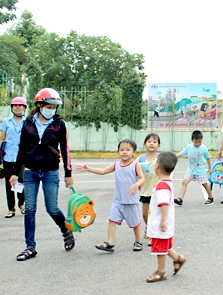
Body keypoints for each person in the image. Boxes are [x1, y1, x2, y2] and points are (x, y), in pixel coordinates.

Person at [10, 88, 74, 261]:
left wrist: (68, 173)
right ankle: (30, 247)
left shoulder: (59, 124)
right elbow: (22, 149)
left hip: (50, 172)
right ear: (39, 105)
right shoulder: (28, 123)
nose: (52, 110)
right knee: (29, 210)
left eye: (55, 107)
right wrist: (15, 172)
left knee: (52, 208)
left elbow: (65, 149)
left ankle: (65, 230)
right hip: (31, 171)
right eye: (49, 106)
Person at [76, 139, 145, 252]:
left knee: (135, 223)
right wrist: (88, 168)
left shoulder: (135, 165)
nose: (124, 152)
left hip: (131, 201)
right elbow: (103, 171)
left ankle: (138, 241)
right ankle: (110, 242)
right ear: (118, 152)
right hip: (118, 200)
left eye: (128, 150)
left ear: (134, 153)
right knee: (112, 220)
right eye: (121, 150)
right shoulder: (116, 165)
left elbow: (142, 178)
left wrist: (136, 185)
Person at [146, 151, 187, 283]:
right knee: (164, 245)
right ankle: (178, 258)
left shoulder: (162, 185)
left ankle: (161, 272)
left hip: (161, 222)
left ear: (157, 166)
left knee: (160, 249)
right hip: (163, 222)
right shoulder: (165, 182)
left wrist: (162, 221)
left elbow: (163, 204)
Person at [1, 97, 27, 218]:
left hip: (22, 157)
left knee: (20, 180)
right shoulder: (6, 122)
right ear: (11, 107)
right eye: (15, 105)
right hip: (8, 156)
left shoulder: (27, 122)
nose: (17, 107)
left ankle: (22, 203)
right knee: (9, 183)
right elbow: (2, 138)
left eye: (20, 105)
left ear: (24, 108)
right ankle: (11, 208)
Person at [174, 130, 214, 205]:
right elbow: (180, 154)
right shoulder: (189, 147)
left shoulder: (203, 148)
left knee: (205, 184)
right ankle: (180, 199)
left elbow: (208, 158)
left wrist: (209, 168)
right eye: (196, 142)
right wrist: (172, 157)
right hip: (191, 170)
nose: (198, 143)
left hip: (200, 171)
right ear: (192, 140)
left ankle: (210, 197)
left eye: (200, 142)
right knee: (184, 182)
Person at [137, 133, 160, 241]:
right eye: (149, 141)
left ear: (158, 145)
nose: (152, 144)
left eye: (154, 142)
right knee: (145, 214)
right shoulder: (140, 159)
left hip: (157, 191)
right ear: (145, 144)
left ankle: (153, 234)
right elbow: (133, 171)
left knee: (155, 214)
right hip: (145, 191)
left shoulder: (160, 158)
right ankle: (148, 227)